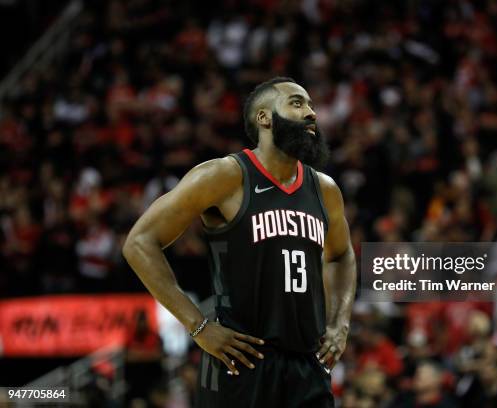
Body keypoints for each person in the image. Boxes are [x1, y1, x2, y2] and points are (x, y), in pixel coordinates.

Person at [122, 77, 357, 407]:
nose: (312, 113)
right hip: (240, 362)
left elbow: (342, 254)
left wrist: (339, 324)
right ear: (264, 118)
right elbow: (139, 242)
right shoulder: (225, 176)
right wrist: (198, 326)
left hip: (307, 366)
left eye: (311, 105)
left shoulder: (325, 190)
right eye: (297, 103)